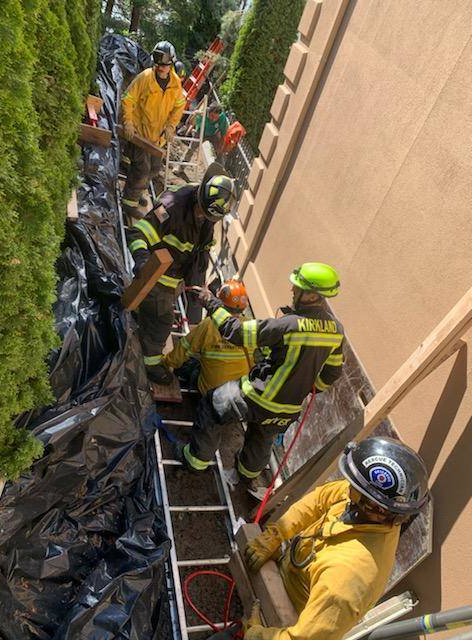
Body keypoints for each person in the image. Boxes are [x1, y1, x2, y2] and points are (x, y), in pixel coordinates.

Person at [242, 436, 430, 640]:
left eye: (354, 488)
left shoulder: (349, 577)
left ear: (374, 507)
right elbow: (320, 499)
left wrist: (258, 636)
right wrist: (277, 534)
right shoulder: (369, 506)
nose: (348, 488)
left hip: (291, 620)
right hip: (287, 578)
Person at [176, 262, 344, 478]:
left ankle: (195, 461)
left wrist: (211, 302)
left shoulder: (288, 325)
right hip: (288, 409)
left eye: (297, 288)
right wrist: (301, 388)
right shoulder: (336, 331)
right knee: (263, 436)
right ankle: (248, 473)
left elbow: (235, 332)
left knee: (212, 404)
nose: (292, 290)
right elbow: (331, 374)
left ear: (311, 295)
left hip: (256, 397)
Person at [126, 163, 236, 384]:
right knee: (163, 321)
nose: (202, 217)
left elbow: (200, 251)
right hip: (157, 275)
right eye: (201, 212)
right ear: (198, 196)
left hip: (176, 277)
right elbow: (139, 232)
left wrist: (196, 285)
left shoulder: (208, 214)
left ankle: (142, 315)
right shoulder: (171, 205)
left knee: (155, 312)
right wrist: (143, 261)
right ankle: (151, 365)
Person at [121, 40, 186, 218]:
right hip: (140, 134)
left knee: (154, 169)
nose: (160, 68)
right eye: (158, 64)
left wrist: (171, 126)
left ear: (171, 63)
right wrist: (128, 122)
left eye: (164, 65)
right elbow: (128, 99)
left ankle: (138, 191)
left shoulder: (176, 84)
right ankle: (128, 202)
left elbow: (179, 106)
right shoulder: (145, 77)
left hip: (158, 138)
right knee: (141, 169)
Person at [163, 280, 252, 394]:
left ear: (219, 301)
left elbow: (183, 349)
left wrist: (166, 363)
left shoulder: (209, 325)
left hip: (212, 392)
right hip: (239, 393)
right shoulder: (250, 326)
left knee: (188, 364)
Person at [180, 102, 228, 167]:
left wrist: (220, 147)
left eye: (216, 118)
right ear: (208, 112)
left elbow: (223, 134)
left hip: (214, 133)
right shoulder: (202, 114)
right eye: (212, 116)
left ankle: (220, 172)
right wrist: (195, 115)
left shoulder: (222, 117)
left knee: (220, 153)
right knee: (191, 148)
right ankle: (181, 167)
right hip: (201, 131)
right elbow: (191, 123)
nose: (213, 119)